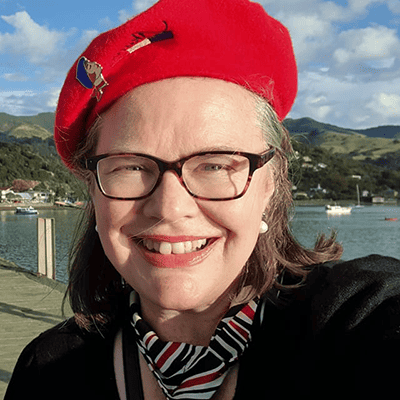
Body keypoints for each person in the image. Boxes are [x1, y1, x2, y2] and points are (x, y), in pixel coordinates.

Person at [5, 0, 400, 399]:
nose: (169, 207)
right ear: (94, 190)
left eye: (214, 166)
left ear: (270, 185)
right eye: (130, 166)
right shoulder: (49, 373)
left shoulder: (354, 325)